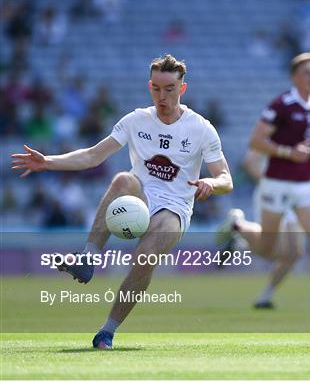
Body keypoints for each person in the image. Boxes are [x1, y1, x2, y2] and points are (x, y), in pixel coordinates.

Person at [11, 54, 233, 349]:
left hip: (175, 207)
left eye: (169, 89)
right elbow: (93, 155)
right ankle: (87, 260)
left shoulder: (201, 128)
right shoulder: (136, 120)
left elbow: (226, 179)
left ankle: (107, 331)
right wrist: (48, 161)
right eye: (156, 88)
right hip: (139, 194)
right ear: (149, 86)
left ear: (182, 89)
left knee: (144, 258)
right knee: (122, 180)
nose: (161, 95)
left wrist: (210, 183)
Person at [217, 53, 310, 316]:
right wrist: (289, 152)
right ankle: (238, 226)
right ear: (294, 77)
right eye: (306, 73)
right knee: (270, 250)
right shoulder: (281, 105)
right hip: (277, 183)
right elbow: (256, 141)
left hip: (307, 184)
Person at [241, 148, 310, 309]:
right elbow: (251, 161)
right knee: (270, 250)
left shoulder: (309, 130)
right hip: (274, 194)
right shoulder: (275, 126)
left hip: (298, 194)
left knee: (294, 252)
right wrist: (271, 184)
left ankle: (266, 295)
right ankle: (239, 226)